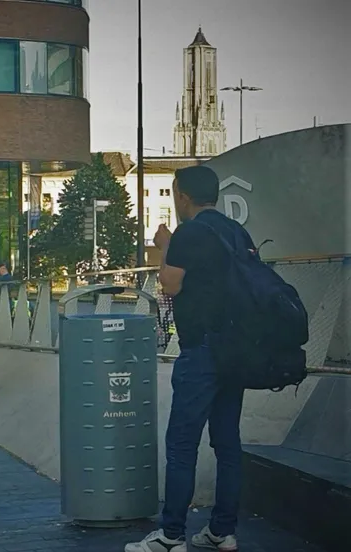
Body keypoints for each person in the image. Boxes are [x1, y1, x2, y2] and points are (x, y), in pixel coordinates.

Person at [126, 166, 251, 552]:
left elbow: (170, 283)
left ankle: (172, 535)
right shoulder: (236, 232)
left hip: (201, 351)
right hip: (237, 350)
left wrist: (165, 245)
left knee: (182, 444)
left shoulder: (190, 232)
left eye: (175, 193)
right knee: (227, 443)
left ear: (182, 196)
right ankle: (222, 531)